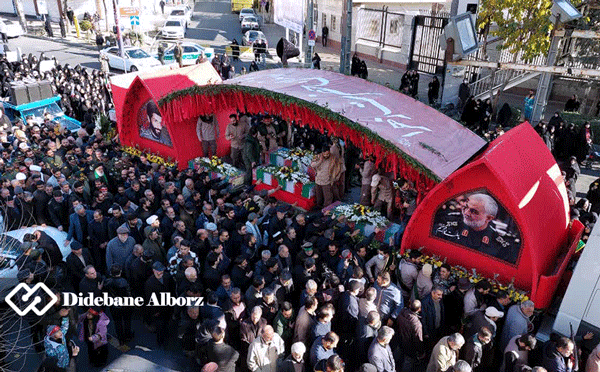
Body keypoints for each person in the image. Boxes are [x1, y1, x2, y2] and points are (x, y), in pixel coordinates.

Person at [433, 193, 519, 264]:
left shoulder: (499, 245)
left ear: (489, 218)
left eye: (474, 211)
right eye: (466, 207)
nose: (466, 213)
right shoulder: (448, 220)